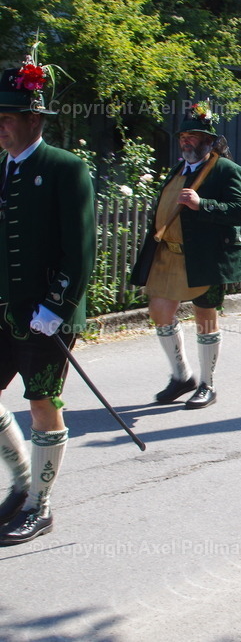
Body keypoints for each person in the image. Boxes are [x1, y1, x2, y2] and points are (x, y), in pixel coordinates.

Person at [0, 54, 95, 544]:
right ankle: (21, 484)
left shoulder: (66, 168)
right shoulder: (0, 167)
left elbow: (77, 249)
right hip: (3, 309)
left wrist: (55, 307)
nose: (1, 127)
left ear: (33, 120)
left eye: (7, 118)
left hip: (45, 314)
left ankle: (41, 503)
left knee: (40, 402)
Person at [130, 100, 241, 409]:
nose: (186, 140)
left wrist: (202, 204)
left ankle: (208, 384)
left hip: (206, 257)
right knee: (159, 312)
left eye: (193, 136)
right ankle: (182, 376)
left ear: (209, 141)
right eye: (183, 135)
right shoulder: (179, 168)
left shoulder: (226, 170)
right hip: (168, 255)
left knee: (205, 319)